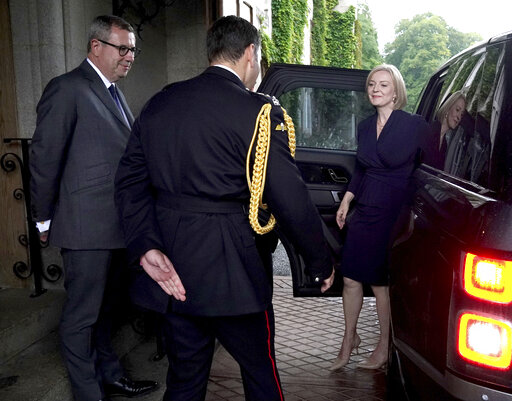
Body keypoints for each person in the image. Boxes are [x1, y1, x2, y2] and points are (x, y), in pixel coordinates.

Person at [114, 15, 334, 401]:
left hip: (174, 267)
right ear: (250, 53)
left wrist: (146, 246)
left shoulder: (161, 102)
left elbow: (129, 183)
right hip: (236, 271)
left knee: (184, 379)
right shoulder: (259, 113)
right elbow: (289, 197)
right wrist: (319, 261)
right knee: (260, 373)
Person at [29, 15, 157, 401]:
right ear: (96, 47)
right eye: (123, 48)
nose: (130, 56)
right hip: (85, 229)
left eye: (133, 50)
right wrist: (42, 218)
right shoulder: (67, 88)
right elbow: (44, 157)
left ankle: (111, 376)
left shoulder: (113, 92)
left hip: (115, 227)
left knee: (105, 311)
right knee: (81, 317)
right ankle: (89, 393)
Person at [332, 64, 428, 371]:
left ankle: (385, 347)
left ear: (396, 91)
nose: (375, 89)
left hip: (392, 211)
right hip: (365, 208)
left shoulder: (413, 125)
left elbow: (432, 164)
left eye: (383, 85)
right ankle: (350, 338)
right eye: (372, 84)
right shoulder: (364, 126)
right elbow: (361, 169)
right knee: (350, 277)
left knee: (379, 283)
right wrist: (347, 199)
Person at [421, 90, 466, 169]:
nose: (459, 117)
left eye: (462, 114)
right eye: (457, 110)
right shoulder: (429, 132)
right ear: (448, 108)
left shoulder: (444, 144)